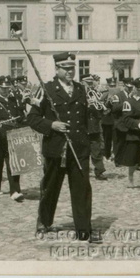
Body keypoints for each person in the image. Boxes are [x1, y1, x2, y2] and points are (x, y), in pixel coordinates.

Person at [27, 52, 94, 242]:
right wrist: (51, 125)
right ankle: (44, 222)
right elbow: (32, 118)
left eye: (72, 68)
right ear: (57, 69)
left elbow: (86, 119)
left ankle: (83, 229)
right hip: (56, 149)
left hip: (79, 147)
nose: (70, 72)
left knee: (82, 189)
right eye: (66, 69)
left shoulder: (81, 89)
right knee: (50, 188)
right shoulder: (46, 89)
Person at [0, 75, 26, 200]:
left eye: (7, 88)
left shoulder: (14, 100)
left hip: (12, 136)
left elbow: (20, 116)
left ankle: (15, 191)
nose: (6, 90)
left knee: (13, 164)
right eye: (3, 88)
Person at [80, 73, 107, 180]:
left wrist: (98, 105)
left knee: (96, 150)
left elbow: (101, 111)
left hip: (94, 126)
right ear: (82, 82)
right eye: (88, 83)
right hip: (82, 126)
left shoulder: (95, 93)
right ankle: (81, 170)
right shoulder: (78, 94)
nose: (90, 85)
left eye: (91, 83)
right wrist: (86, 104)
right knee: (82, 151)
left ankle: (99, 171)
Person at [111, 77, 134, 167]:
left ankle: (126, 159)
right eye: (128, 87)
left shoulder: (132, 95)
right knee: (119, 143)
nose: (130, 89)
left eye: (131, 87)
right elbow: (114, 108)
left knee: (128, 142)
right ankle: (117, 160)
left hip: (129, 123)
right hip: (119, 123)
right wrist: (127, 103)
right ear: (124, 86)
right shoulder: (118, 95)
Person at [100, 77, 118, 161]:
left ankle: (115, 154)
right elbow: (100, 104)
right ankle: (107, 154)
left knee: (116, 138)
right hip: (107, 119)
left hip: (116, 119)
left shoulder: (119, 92)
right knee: (107, 138)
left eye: (114, 86)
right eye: (111, 86)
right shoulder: (105, 93)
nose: (113, 87)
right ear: (108, 85)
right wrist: (107, 103)